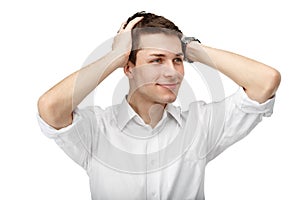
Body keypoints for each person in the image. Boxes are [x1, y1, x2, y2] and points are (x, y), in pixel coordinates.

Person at [37, 11, 281, 200]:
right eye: (157, 60)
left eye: (177, 60)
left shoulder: (200, 125)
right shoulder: (97, 130)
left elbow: (265, 82)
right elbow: (50, 108)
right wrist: (115, 55)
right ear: (129, 67)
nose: (173, 73)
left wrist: (189, 47)